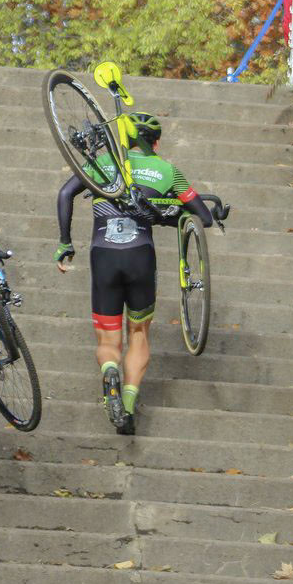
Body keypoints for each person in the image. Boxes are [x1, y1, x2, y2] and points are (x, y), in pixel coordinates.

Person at [53, 112, 213, 436]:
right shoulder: (167, 170)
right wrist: (170, 212)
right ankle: (127, 405)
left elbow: (64, 194)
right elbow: (202, 217)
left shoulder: (104, 163)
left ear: (124, 139)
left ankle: (110, 369)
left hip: (103, 254)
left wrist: (65, 243)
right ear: (155, 142)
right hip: (141, 254)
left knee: (108, 339)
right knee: (138, 333)